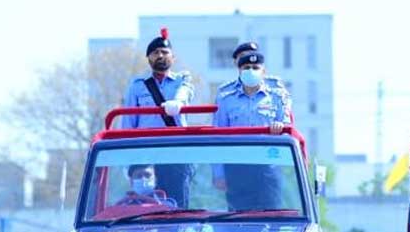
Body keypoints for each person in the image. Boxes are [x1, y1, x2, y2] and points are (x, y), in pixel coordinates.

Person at [122, 27, 195, 206]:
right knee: (146, 207)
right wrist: (128, 162)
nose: (160, 56)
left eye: (164, 52)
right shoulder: (137, 86)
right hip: (147, 159)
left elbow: (185, 93)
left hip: (175, 155)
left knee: (177, 206)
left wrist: (176, 103)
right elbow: (128, 125)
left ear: (173, 57)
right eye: (155, 53)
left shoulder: (182, 80)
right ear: (148, 58)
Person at [213, 51, 293, 210]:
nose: (251, 71)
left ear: (264, 71)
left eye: (256, 67)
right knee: (238, 219)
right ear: (240, 71)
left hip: (268, 166)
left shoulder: (277, 97)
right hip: (237, 167)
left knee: (272, 217)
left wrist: (279, 127)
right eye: (247, 67)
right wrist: (218, 173)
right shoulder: (226, 99)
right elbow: (217, 137)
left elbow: (286, 125)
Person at [217, 41, 290, 102]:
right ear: (236, 62)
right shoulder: (226, 90)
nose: (249, 59)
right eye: (243, 56)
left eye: (253, 54)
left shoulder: (275, 85)